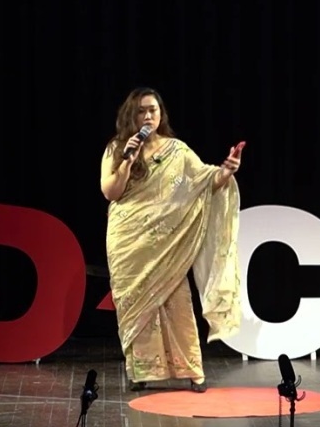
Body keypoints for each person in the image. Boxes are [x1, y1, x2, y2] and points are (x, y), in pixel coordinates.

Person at [99, 87, 244, 393]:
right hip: (128, 243)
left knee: (178, 302)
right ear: (131, 115)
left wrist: (227, 171)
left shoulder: (177, 151)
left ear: (160, 113)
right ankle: (141, 372)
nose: (147, 116)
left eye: (152, 109)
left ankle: (193, 372)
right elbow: (110, 192)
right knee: (136, 307)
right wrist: (127, 160)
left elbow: (204, 181)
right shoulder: (117, 148)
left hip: (168, 244)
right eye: (141, 110)